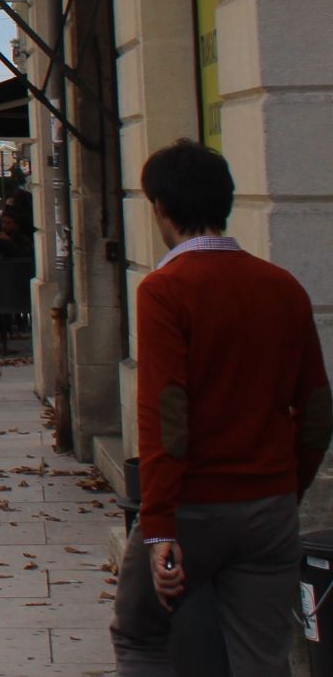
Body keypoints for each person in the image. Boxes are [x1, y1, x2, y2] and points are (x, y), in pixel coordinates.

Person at [111, 141, 328, 677]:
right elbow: (319, 410)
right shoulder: (284, 287)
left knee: (143, 638)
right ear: (226, 201)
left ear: (160, 208)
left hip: (192, 505)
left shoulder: (165, 290)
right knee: (262, 654)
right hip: (270, 501)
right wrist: (287, 486)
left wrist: (159, 526)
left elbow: (168, 413)